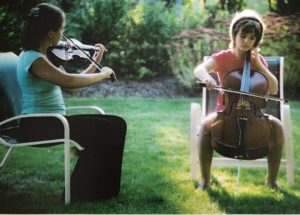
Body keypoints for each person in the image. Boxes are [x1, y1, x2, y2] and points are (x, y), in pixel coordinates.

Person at [15, 3, 127, 201]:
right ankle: (78, 192)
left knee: (117, 124)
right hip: (36, 126)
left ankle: (104, 190)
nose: (63, 34)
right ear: (51, 33)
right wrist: (102, 74)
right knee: (104, 130)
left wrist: (96, 60)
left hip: (54, 121)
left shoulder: (46, 58)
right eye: (62, 30)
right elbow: (68, 80)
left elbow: (72, 89)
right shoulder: (33, 59)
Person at [193, 9, 284, 190]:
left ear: (256, 41)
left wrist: (260, 66)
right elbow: (199, 70)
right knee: (204, 126)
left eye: (252, 38)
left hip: (254, 115)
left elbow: (273, 89)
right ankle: (205, 180)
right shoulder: (224, 57)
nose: (246, 42)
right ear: (234, 34)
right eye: (243, 36)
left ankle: (271, 181)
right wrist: (207, 78)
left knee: (278, 127)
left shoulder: (257, 60)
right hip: (225, 112)